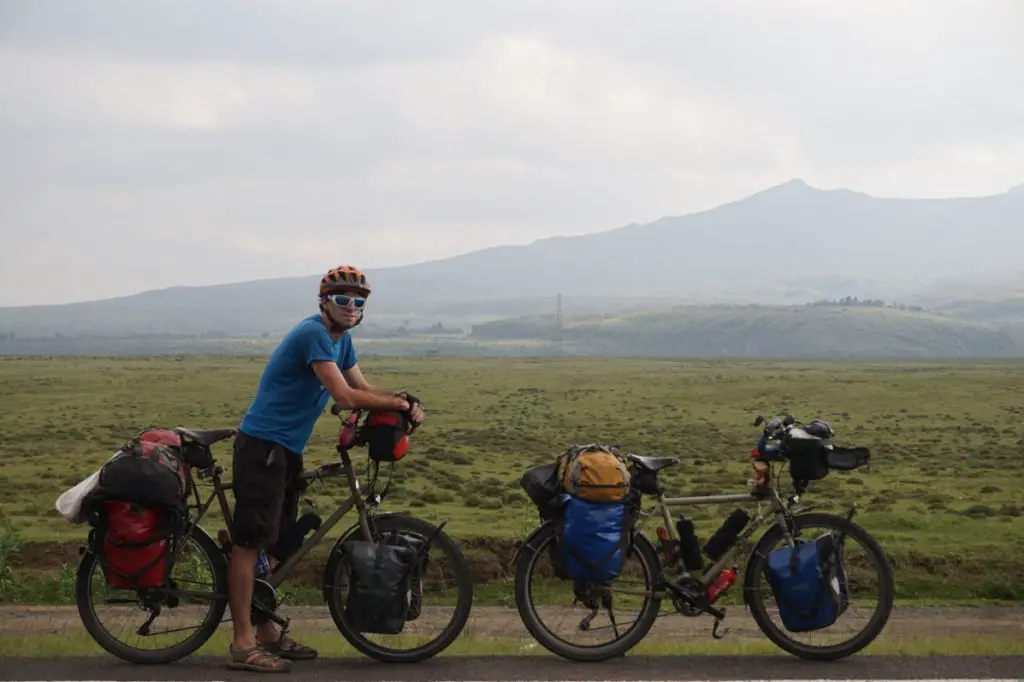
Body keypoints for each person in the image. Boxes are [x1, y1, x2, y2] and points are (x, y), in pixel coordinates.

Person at [226, 264, 423, 673]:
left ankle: (267, 633)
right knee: (249, 543)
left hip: (285, 450)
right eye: (342, 299)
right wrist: (397, 406)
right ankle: (243, 644)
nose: (351, 307)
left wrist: (403, 398)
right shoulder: (313, 333)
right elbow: (345, 395)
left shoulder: (340, 340)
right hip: (263, 447)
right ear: (324, 302)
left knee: (273, 543)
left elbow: (364, 389)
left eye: (358, 300)